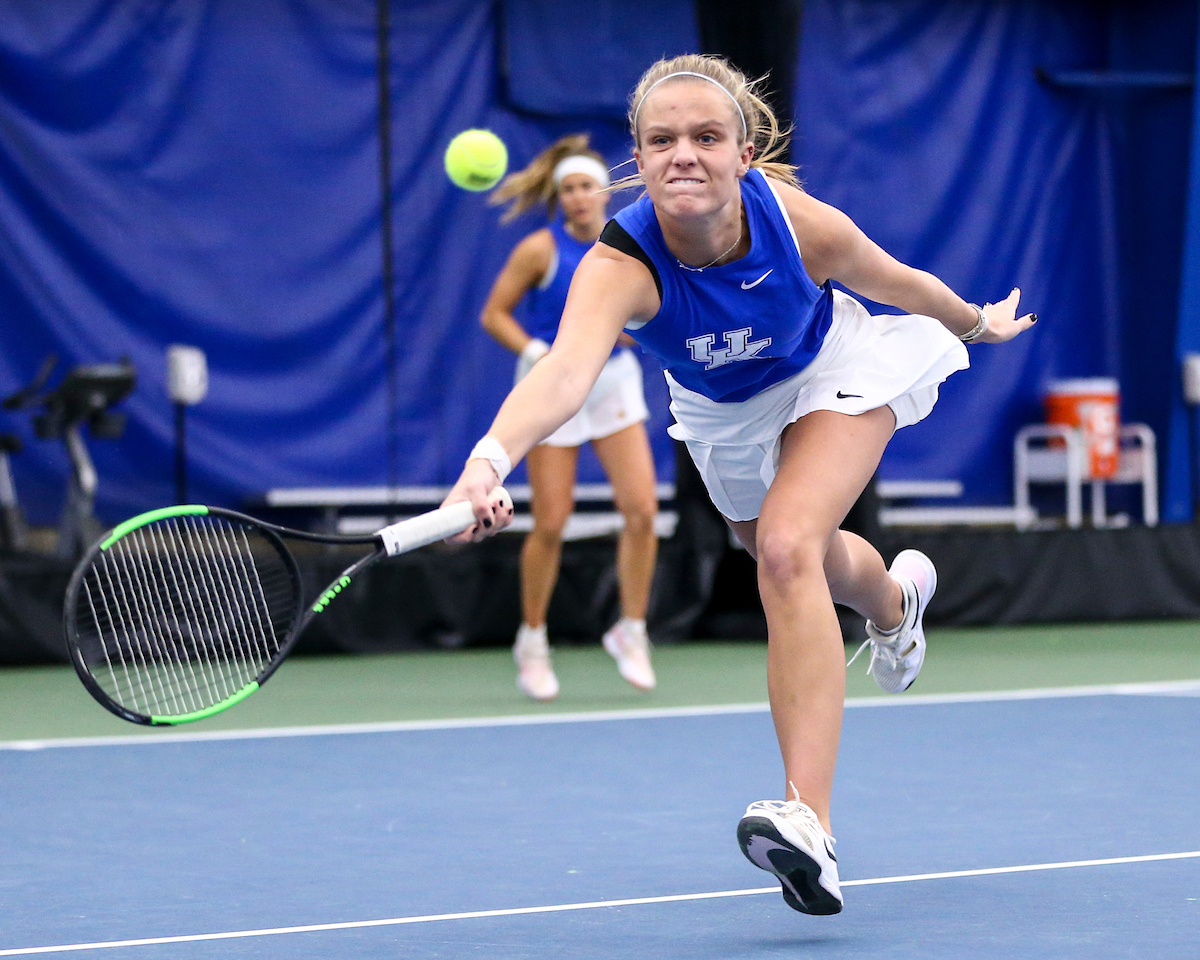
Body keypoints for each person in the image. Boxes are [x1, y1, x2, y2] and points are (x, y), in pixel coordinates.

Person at [447, 55, 1035, 915]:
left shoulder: (798, 223)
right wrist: (486, 462)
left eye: (706, 137)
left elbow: (900, 282)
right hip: (724, 418)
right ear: (639, 161)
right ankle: (896, 602)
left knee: (788, 550)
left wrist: (976, 322)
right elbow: (566, 375)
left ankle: (810, 823)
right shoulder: (618, 264)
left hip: (831, 369)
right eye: (661, 140)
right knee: (802, 556)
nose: (684, 154)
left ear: (744, 153)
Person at [480, 134, 660, 702]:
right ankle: (531, 641)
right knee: (552, 523)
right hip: (551, 383)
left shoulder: (631, 246)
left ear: (603, 193)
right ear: (561, 199)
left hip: (611, 384)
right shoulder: (539, 250)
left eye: (587, 187)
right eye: (569, 190)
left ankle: (631, 631)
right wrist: (535, 351)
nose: (579, 198)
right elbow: (494, 314)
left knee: (643, 510)